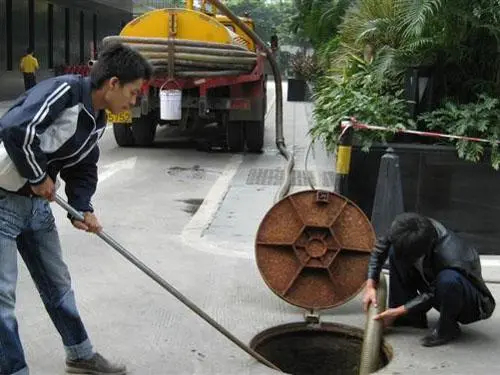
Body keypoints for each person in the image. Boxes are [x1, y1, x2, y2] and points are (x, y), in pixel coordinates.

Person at [0, 42, 152, 375]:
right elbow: (17, 128)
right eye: (133, 91)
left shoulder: (98, 118)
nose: (134, 100)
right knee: (2, 299)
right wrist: (38, 175)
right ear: (112, 84)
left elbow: (83, 165)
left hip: (37, 208)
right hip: (3, 202)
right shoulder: (65, 91)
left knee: (58, 285)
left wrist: (82, 207)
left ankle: (80, 355)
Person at [363, 212, 495, 347]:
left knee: (448, 280)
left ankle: (447, 328)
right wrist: (370, 285)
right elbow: (380, 249)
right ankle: (409, 318)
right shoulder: (405, 228)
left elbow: (433, 292)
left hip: (469, 301)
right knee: (395, 253)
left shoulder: (451, 254)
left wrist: (399, 310)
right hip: (433, 279)